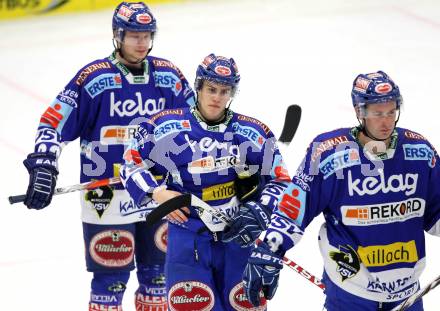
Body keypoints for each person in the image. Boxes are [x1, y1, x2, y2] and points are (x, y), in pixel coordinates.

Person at [22, 2, 195, 310]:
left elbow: (198, 126)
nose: (141, 43)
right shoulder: (93, 78)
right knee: (109, 282)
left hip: (157, 191)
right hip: (105, 197)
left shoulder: (169, 77)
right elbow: (53, 122)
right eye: (134, 35)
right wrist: (44, 163)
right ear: (118, 35)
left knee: (158, 280)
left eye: (147, 35)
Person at [242, 71, 440, 311]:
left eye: (391, 112)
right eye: (378, 113)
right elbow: (294, 208)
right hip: (350, 293)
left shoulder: (420, 153)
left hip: (407, 294)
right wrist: (270, 250)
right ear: (359, 111)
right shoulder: (329, 154)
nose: (386, 122)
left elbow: (435, 214)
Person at [120, 53, 290, 310]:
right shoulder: (165, 126)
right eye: (211, 89)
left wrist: (260, 209)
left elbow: (281, 181)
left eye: (225, 91)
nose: (217, 97)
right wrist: (156, 192)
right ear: (198, 86)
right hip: (187, 238)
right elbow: (129, 163)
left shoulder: (252, 132)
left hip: (238, 237)